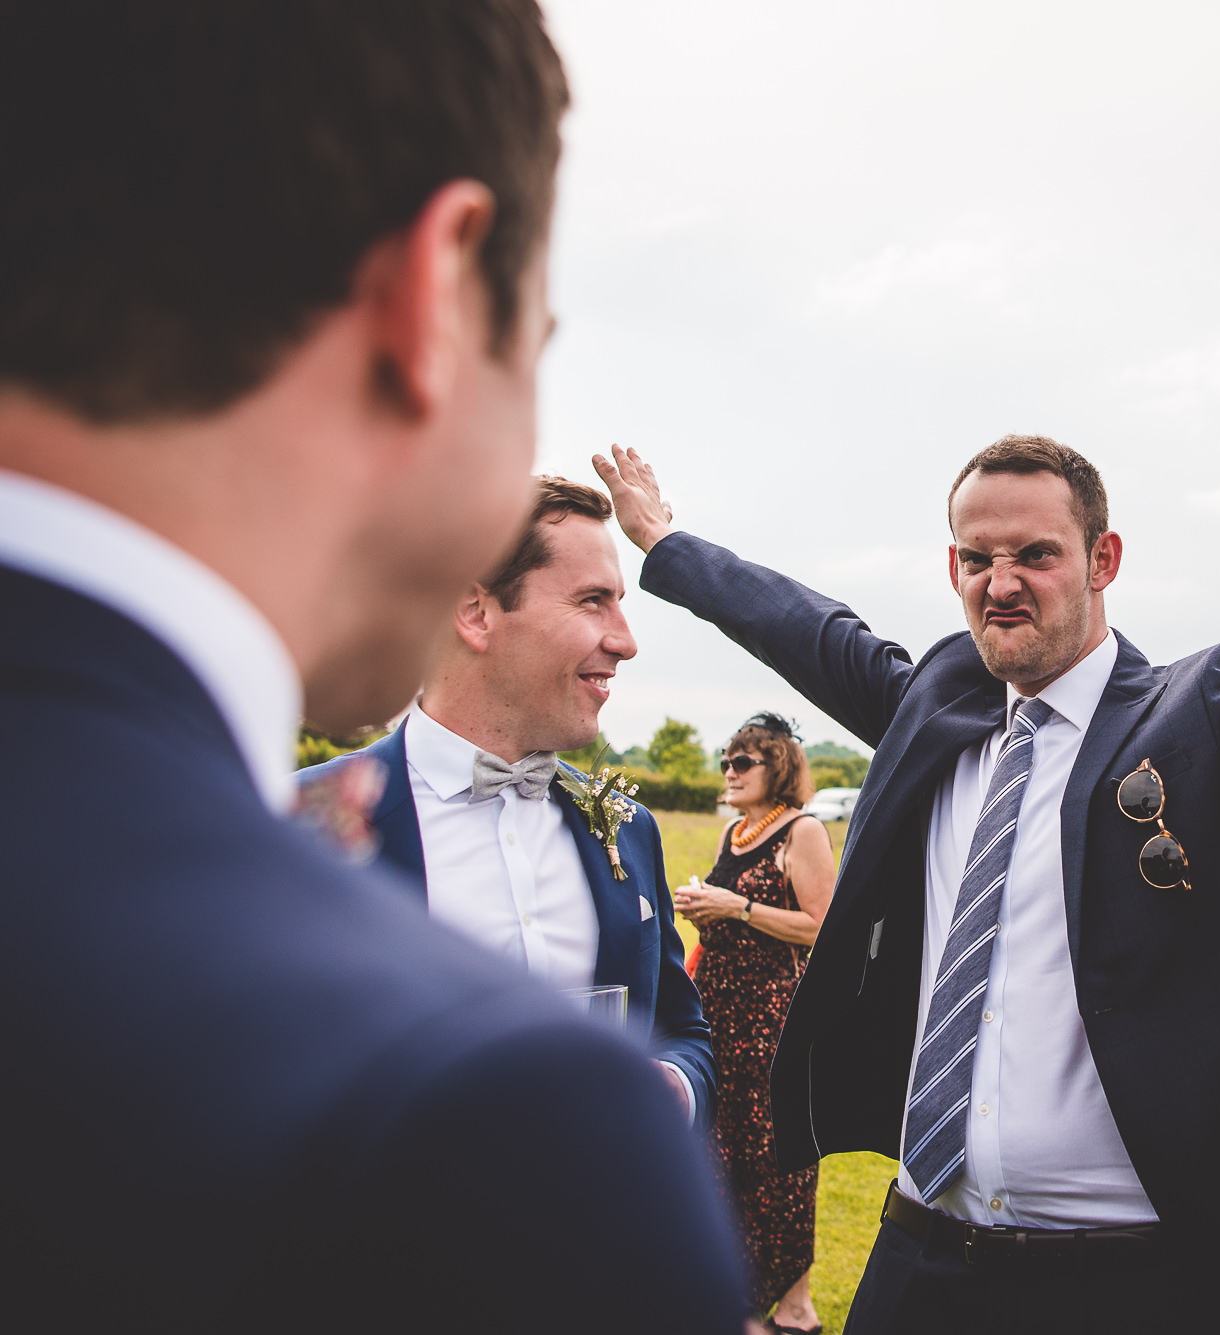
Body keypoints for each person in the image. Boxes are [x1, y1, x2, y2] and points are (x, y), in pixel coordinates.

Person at [0, 4, 741, 1329]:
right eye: (535, 342)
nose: (622, 638)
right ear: (437, 301)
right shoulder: (494, 1124)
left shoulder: (613, 824)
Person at [595, 413, 1220, 1335]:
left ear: (1103, 558)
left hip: (1134, 1274)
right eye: (975, 558)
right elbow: (806, 626)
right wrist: (666, 544)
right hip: (924, 1251)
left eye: (1036, 554)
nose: (1000, 584)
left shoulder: (1191, 710)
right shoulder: (940, 701)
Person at [298, 475, 717, 1125]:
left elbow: (679, 1030)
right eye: (592, 601)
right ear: (476, 611)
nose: (626, 640)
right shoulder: (307, 819)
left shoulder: (629, 829)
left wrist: (671, 1086)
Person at [675, 714, 837, 1335]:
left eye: (744, 761)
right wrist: (704, 911)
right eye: (726, 760)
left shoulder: (804, 831)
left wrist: (736, 907)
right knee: (726, 1154)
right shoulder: (737, 833)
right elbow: (733, 916)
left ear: (780, 767)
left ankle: (796, 1308)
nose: (730, 771)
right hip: (718, 1011)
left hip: (772, 1018)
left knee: (779, 1157)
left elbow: (824, 928)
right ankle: (741, 1299)